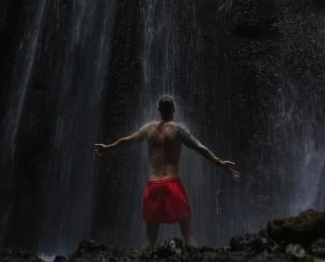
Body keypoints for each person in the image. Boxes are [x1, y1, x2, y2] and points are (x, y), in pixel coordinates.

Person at [95, 95, 239, 249]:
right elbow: (199, 148)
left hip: (153, 186)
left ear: (158, 110)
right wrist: (219, 162)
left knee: (150, 236)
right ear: (174, 110)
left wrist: (107, 148)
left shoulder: (149, 129)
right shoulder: (178, 130)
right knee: (188, 232)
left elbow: (127, 140)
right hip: (172, 186)